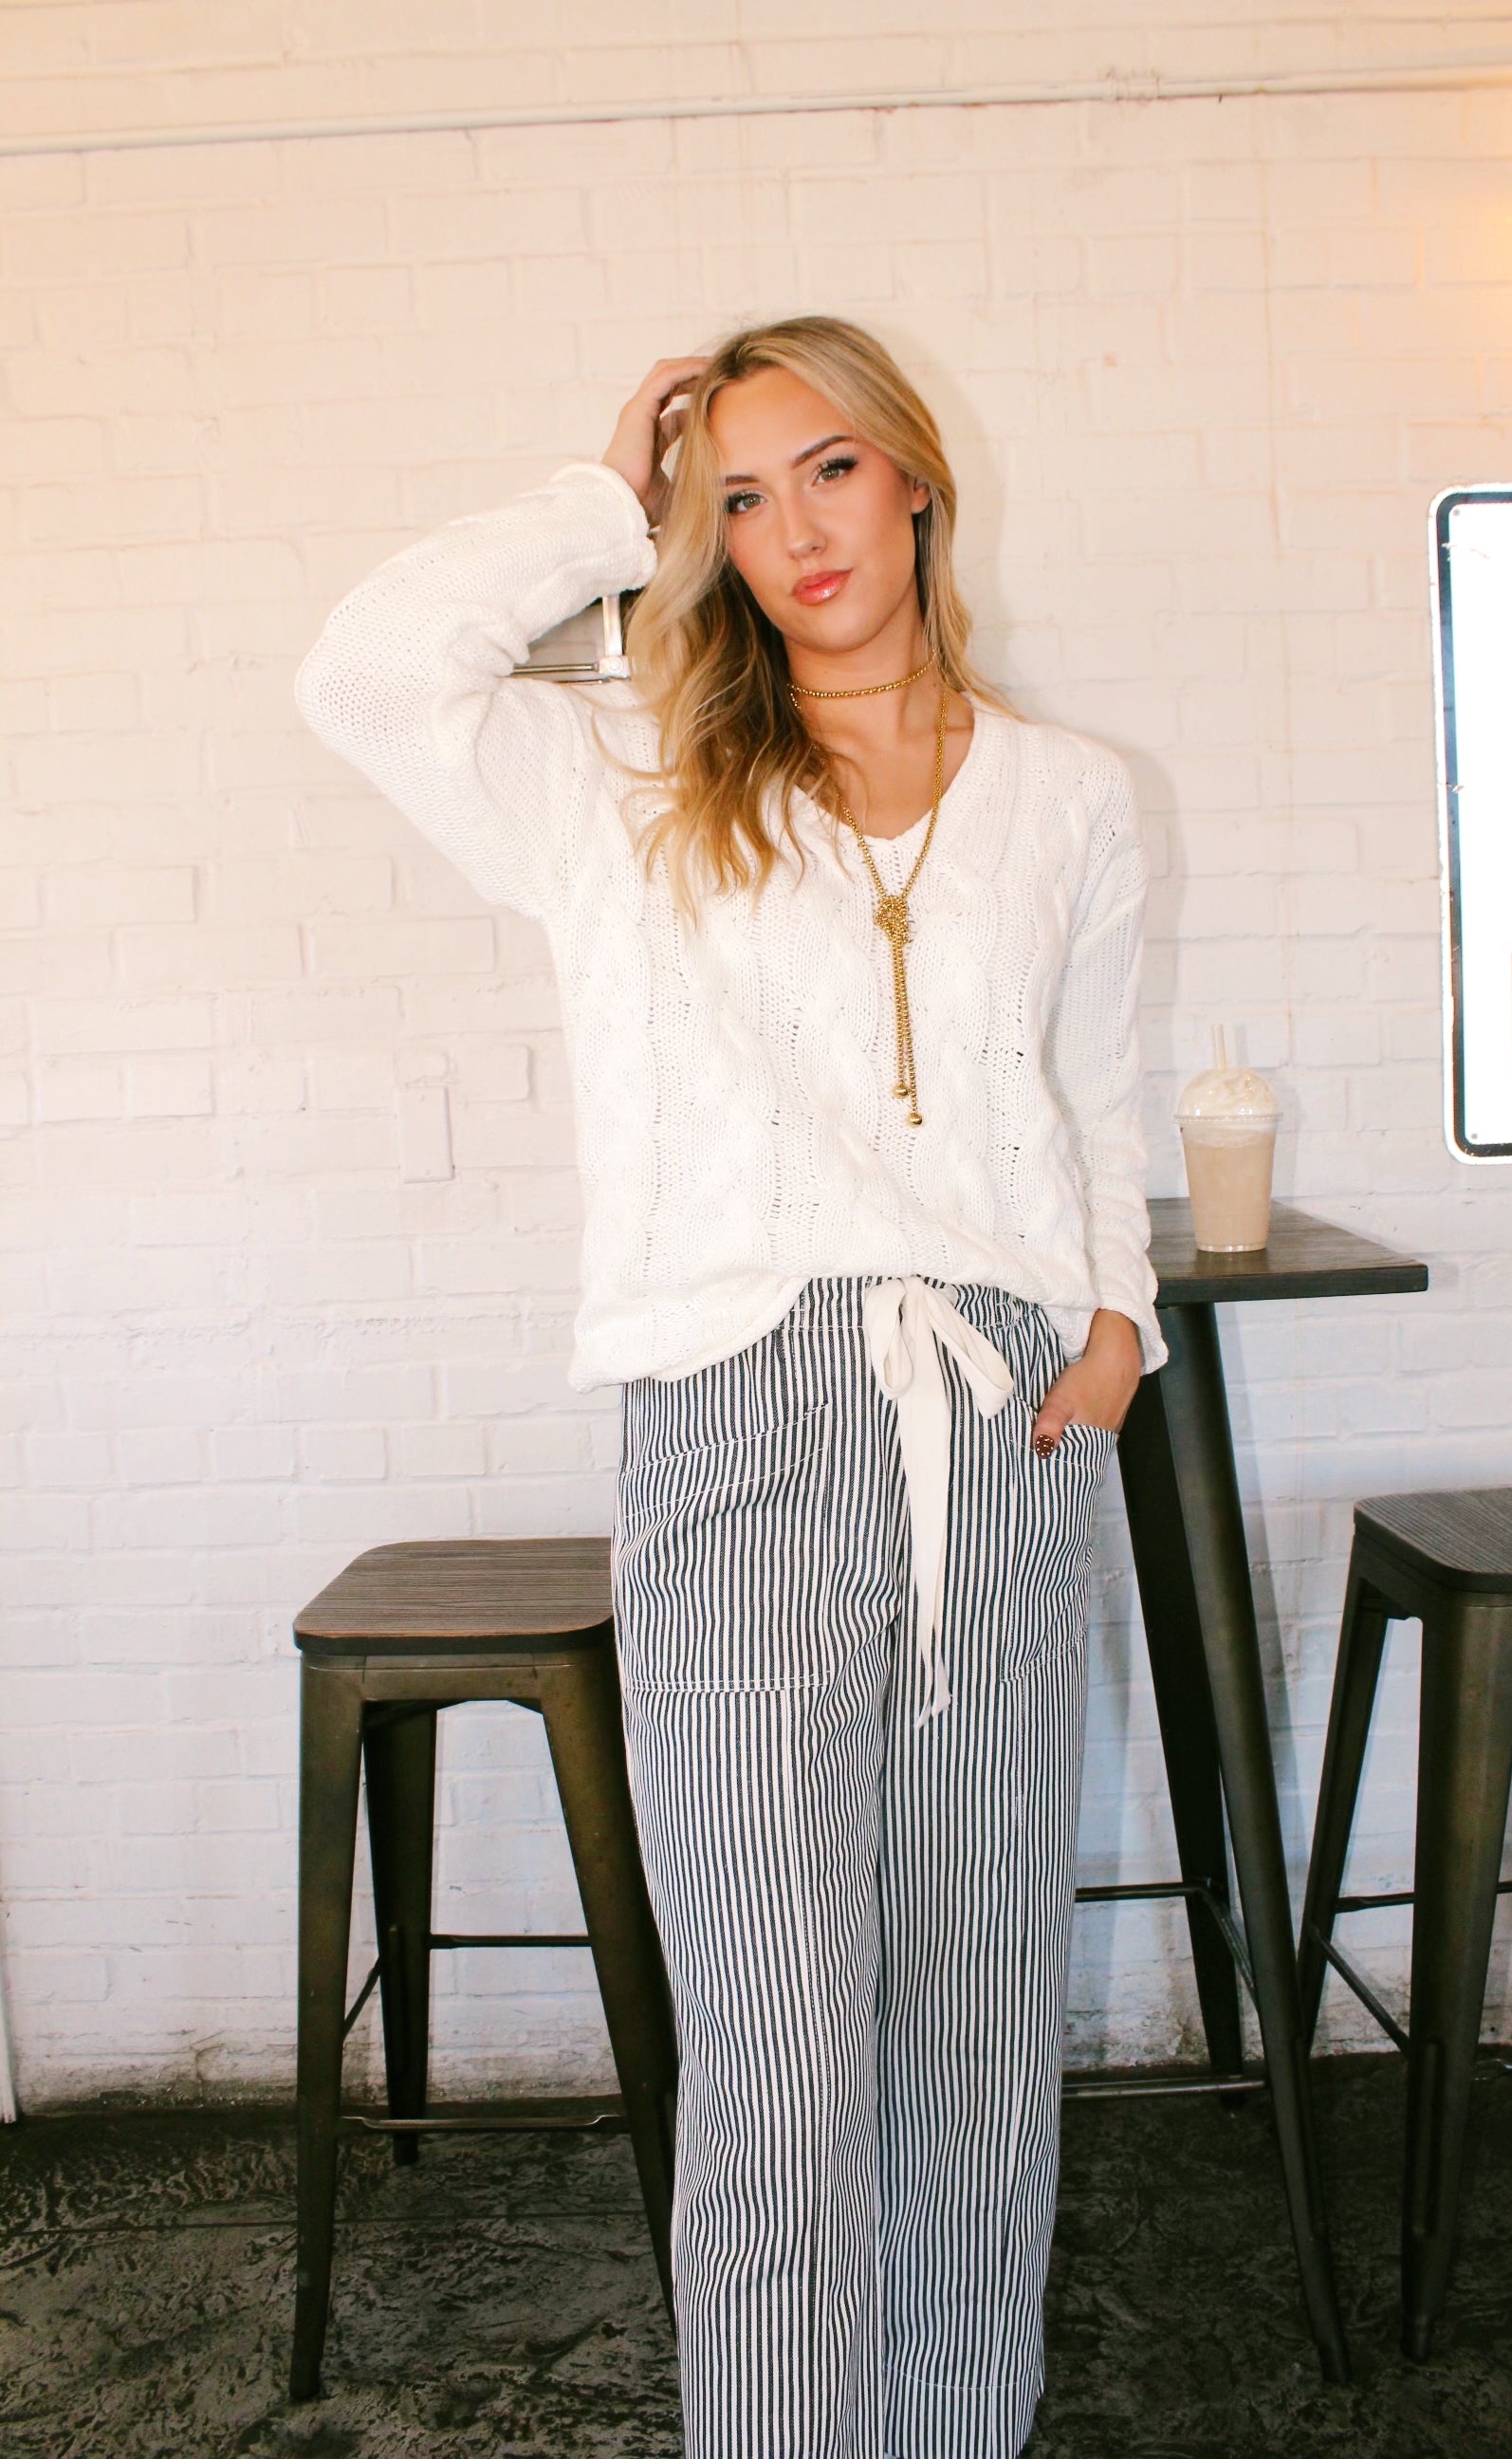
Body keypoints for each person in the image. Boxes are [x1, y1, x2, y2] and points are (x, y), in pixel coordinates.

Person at [296, 315, 1165, 2459]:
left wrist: (1115, 1327)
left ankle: (957, 2431)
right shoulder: (626, 777)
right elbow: (367, 676)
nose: (796, 533)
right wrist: (604, 500)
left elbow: (1095, 1093)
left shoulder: (1074, 797)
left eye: (831, 470)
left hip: (1006, 1424)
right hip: (740, 1419)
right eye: (740, 498)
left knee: (976, 2020)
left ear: (919, 477)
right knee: (779, 2052)